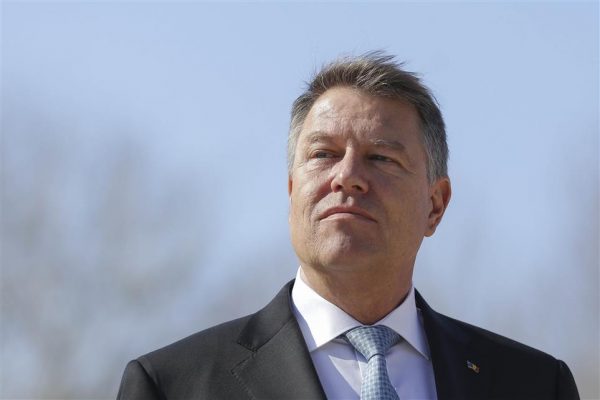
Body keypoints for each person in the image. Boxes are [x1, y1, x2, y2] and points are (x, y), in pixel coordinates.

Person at [117, 52, 580, 400]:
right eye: (323, 154)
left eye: (381, 157)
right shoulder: (173, 385)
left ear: (435, 205)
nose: (347, 176)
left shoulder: (535, 384)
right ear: (292, 191)